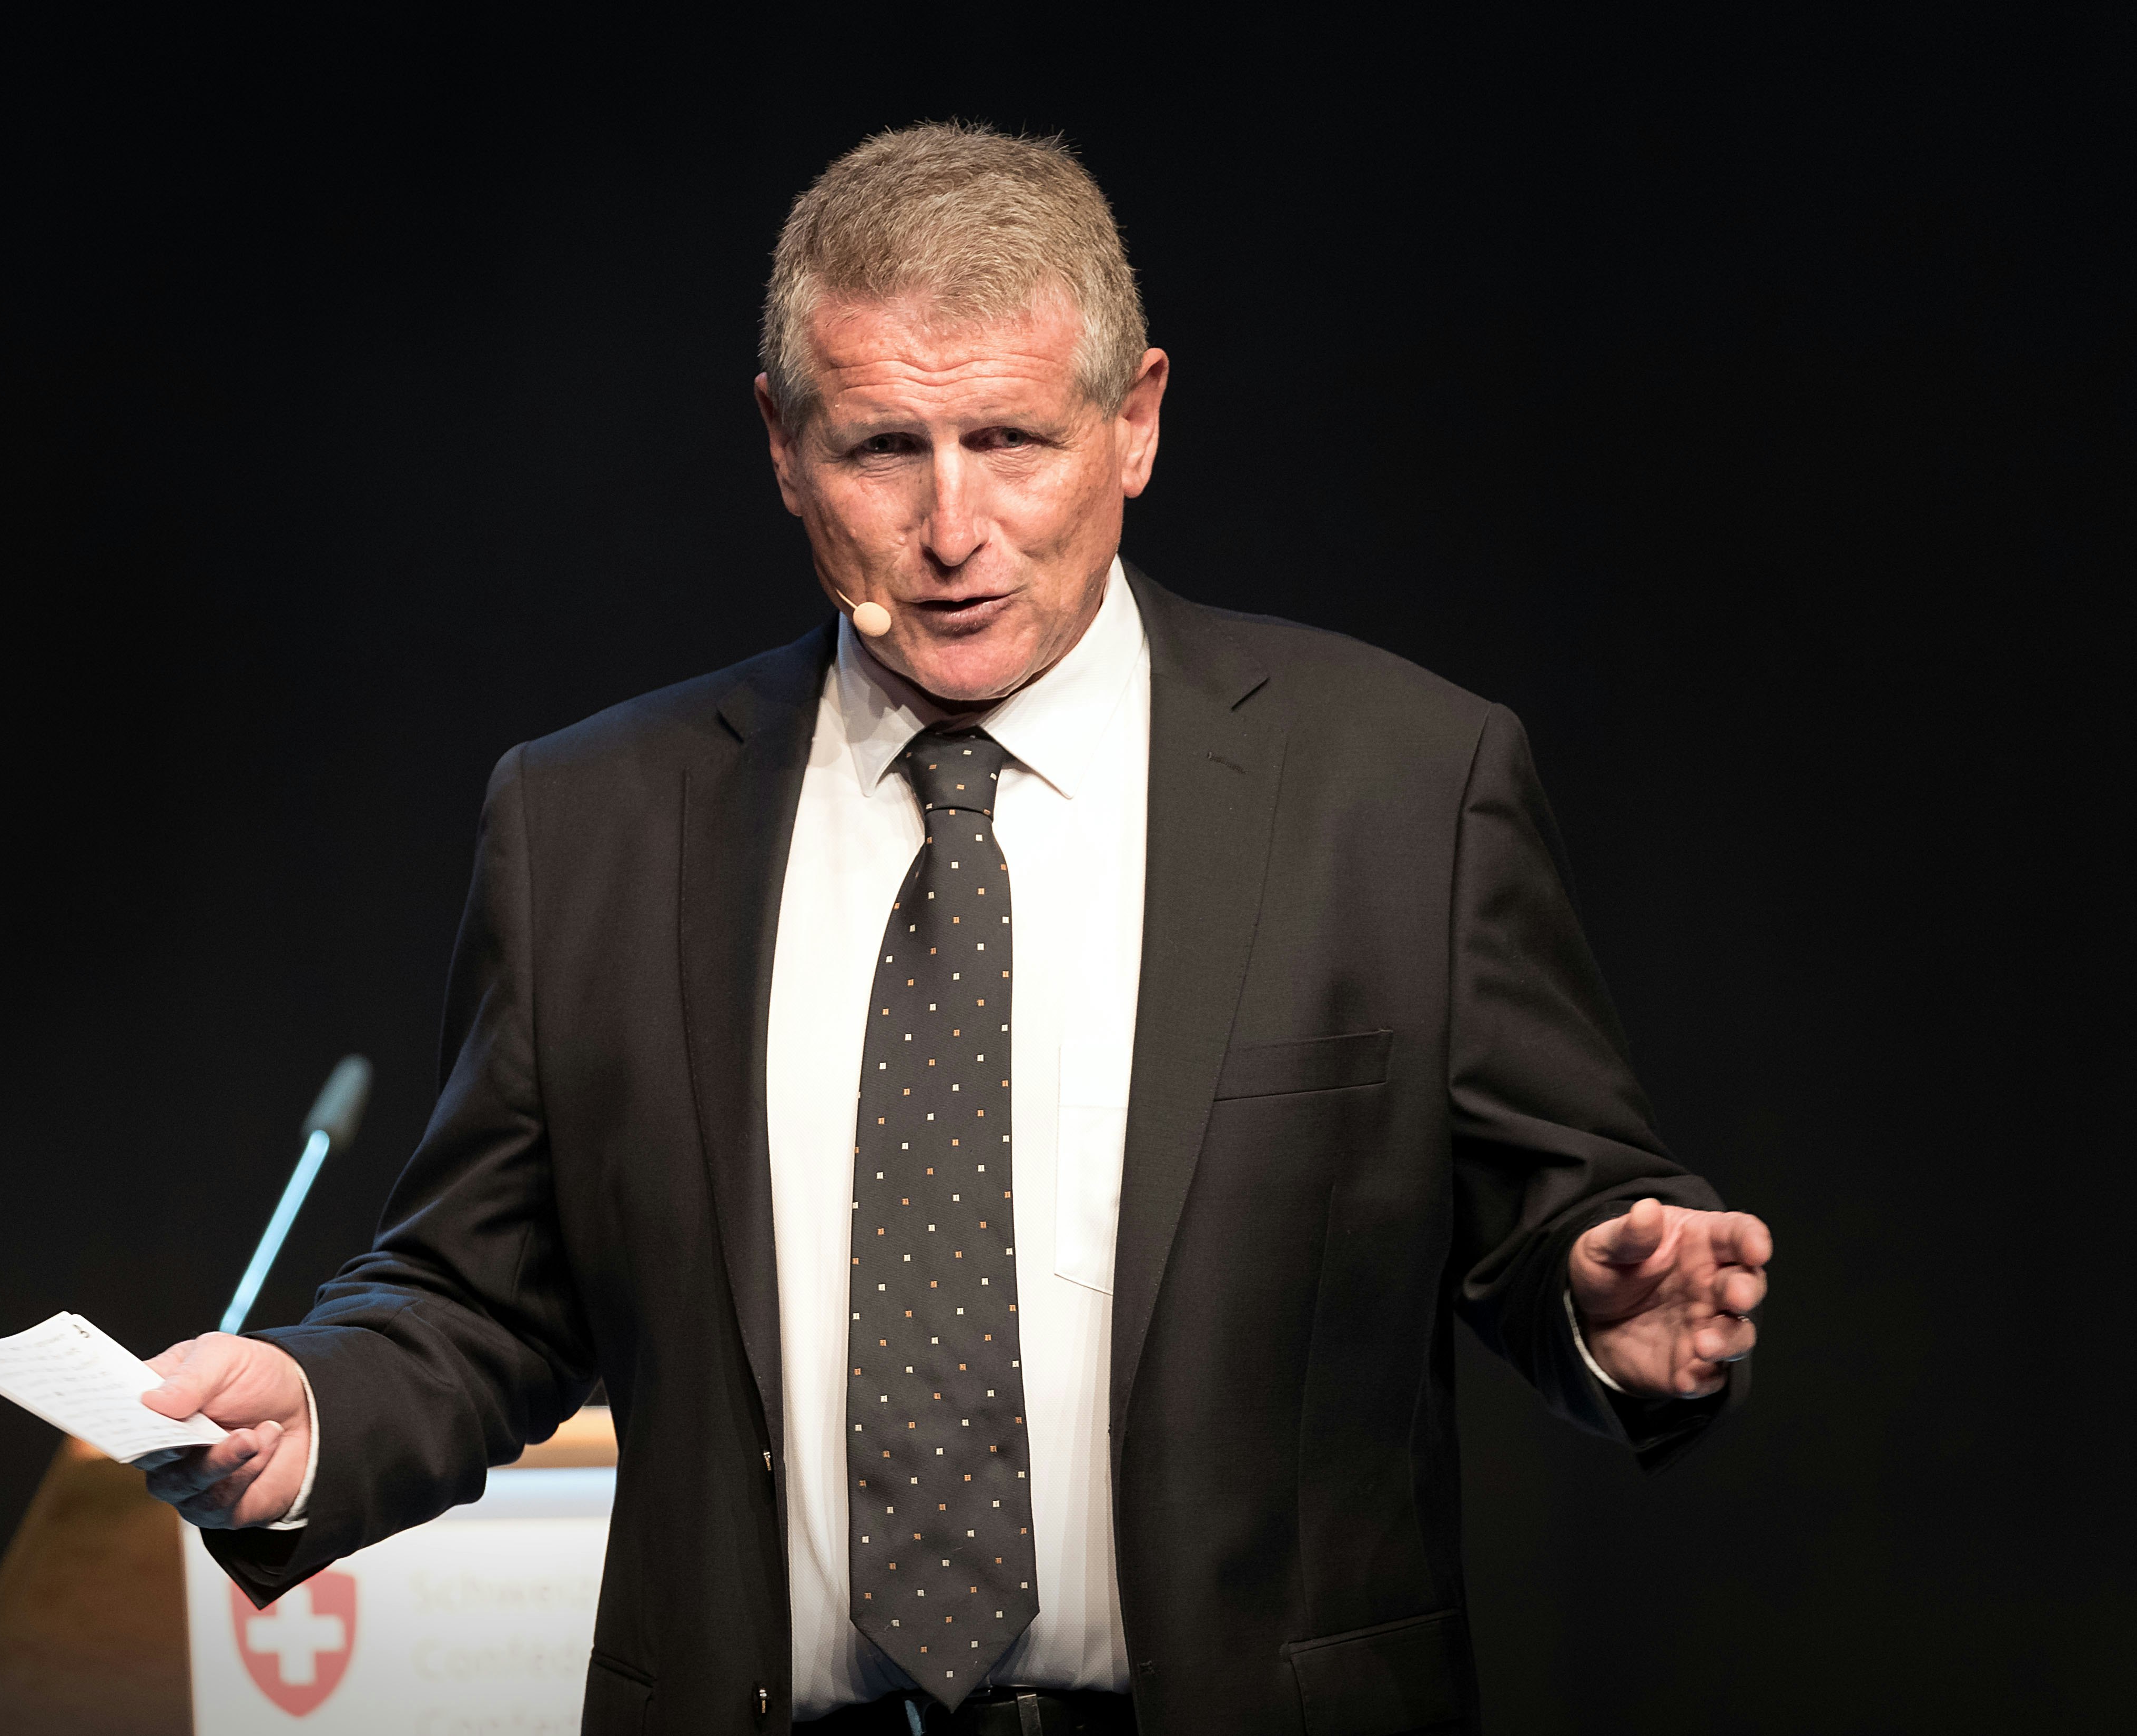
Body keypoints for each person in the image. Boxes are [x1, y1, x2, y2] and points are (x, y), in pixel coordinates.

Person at [138, 123, 1771, 1735]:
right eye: (880, 449)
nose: (951, 527)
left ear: (1134, 423)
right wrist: (314, 1405)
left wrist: (1607, 1305)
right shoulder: (596, 826)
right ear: (780, 446)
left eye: (1010, 439)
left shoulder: (1400, 786)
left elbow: (1552, 1214)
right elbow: (486, 1293)